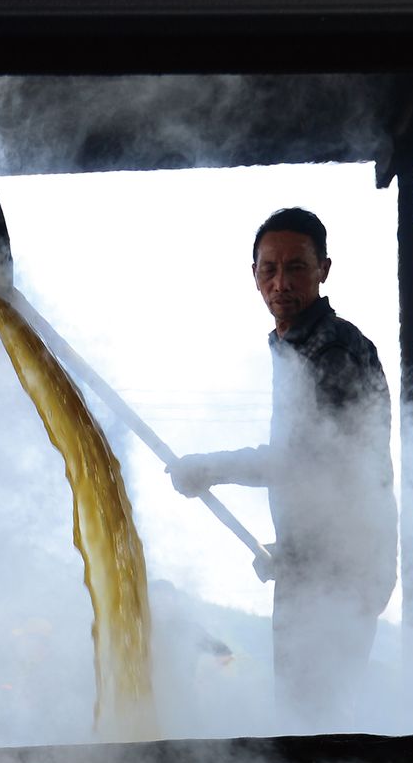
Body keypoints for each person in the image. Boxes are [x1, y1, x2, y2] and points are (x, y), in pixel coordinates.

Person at [169, 208, 398, 726]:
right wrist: (293, 551)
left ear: (323, 269)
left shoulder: (333, 350)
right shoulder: (293, 346)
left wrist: (208, 468)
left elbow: (307, 460)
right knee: (310, 717)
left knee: (314, 720)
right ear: (253, 276)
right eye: (268, 269)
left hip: (345, 568)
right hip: (319, 561)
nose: (280, 282)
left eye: (296, 267)